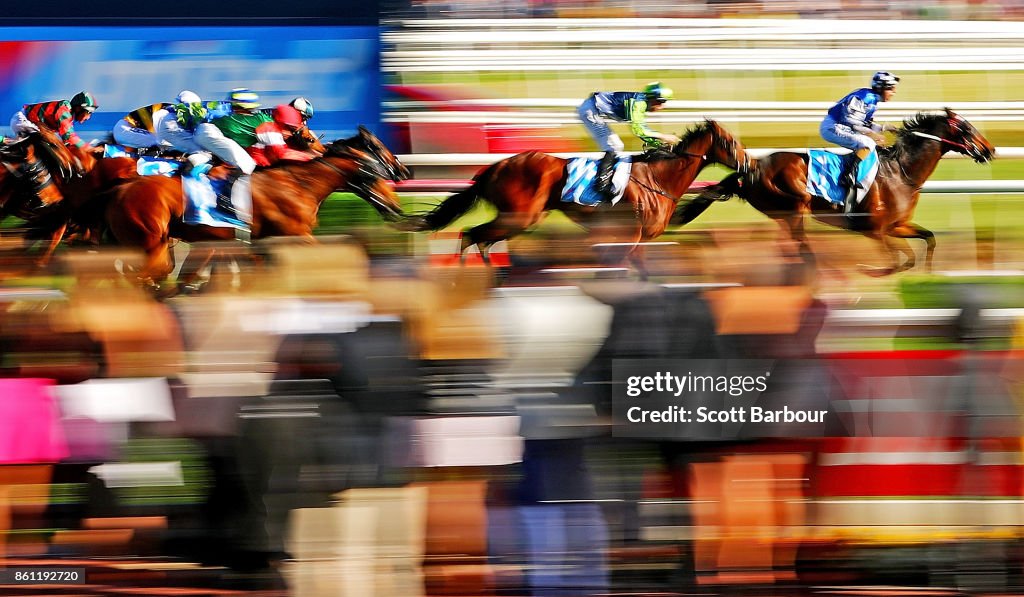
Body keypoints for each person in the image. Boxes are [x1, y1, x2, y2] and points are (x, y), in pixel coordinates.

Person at [577, 82, 681, 199]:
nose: (663, 107)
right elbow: (638, 130)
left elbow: (642, 130)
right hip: (590, 110)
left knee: (616, 145)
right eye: (662, 102)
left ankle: (605, 179)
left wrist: (658, 144)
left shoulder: (642, 103)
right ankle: (601, 184)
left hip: (593, 108)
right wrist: (663, 136)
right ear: (654, 99)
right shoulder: (639, 103)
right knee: (614, 145)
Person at [820, 71, 899, 212]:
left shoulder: (872, 99)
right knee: (868, 143)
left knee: (868, 142)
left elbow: (864, 123)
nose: (894, 92)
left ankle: (852, 171)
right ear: (882, 88)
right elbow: (851, 122)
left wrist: (885, 127)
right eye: (891, 89)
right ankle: (848, 175)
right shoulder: (865, 97)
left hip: (839, 125)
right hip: (833, 126)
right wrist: (873, 134)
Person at [12, 91, 101, 152]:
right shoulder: (64, 111)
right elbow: (69, 138)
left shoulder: (69, 113)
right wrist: (90, 148)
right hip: (23, 120)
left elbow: (67, 141)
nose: (89, 117)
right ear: (78, 108)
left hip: (30, 123)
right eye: (89, 112)